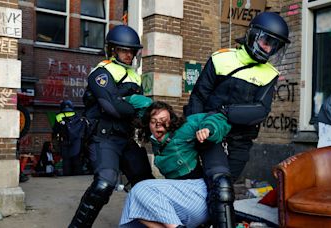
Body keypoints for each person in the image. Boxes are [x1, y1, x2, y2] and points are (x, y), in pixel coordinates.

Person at [183, 12, 290, 227]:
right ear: (252, 35)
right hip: (211, 135)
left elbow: (260, 110)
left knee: (221, 193)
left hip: (241, 142)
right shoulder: (221, 58)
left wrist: (224, 112)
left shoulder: (270, 74)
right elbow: (199, 97)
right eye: (266, 41)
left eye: (274, 45)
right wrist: (196, 127)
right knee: (220, 187)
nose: (268, 48)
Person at [69, 25, 154, 228]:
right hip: (103, 138)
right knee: (104, 183)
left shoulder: (135, 75)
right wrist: (135, 103)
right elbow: (113, 107)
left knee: (148, 185)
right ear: (113, 49)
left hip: (126, 137)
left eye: (131, 50)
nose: (128, 54)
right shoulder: (101, 72)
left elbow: (136, 112)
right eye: (123, 49)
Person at [119, 101, 231, 227]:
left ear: (171, 121)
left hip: (198, 194)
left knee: (140, 190)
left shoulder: (183, 129)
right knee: (132, 210)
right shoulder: (156, 142)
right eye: (153, 121)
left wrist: (208, 128)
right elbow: (140, 104)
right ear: (148, 124)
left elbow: (217, 117)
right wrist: (117, 96)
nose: (158, 124)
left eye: (163, 119)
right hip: (180, 197)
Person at [52, 100, 84, 176]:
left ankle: (67, 173)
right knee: (76, 157)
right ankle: (77, 173)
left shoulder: (58, 116)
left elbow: (55, 129)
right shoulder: (78, 116)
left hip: (64, 140)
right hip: (76, 140)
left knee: (66, 159)